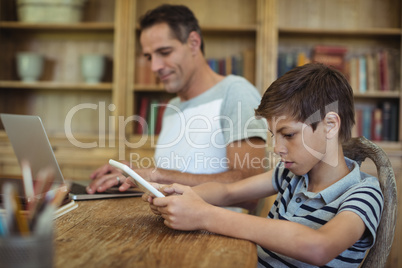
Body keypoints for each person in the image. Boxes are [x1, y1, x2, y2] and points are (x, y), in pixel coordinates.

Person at [144, 63, 384, 267]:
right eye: (273, 136)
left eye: (288, 135)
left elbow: (318, 247)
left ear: (330, 125)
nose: (277, 147)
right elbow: (227, 191)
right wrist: (182, 196)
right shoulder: (290, 173)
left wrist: (205, 216)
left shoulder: (364, 193)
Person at [87, 4, 267, 207]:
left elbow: (250, 190)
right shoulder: (173, 106)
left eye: (164, 52)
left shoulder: (236, 92)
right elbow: (176, 178)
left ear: (193, 42)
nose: (155, 66)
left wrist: (157, 175)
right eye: (149, 57)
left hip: (220, 237)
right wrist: (132, 175)